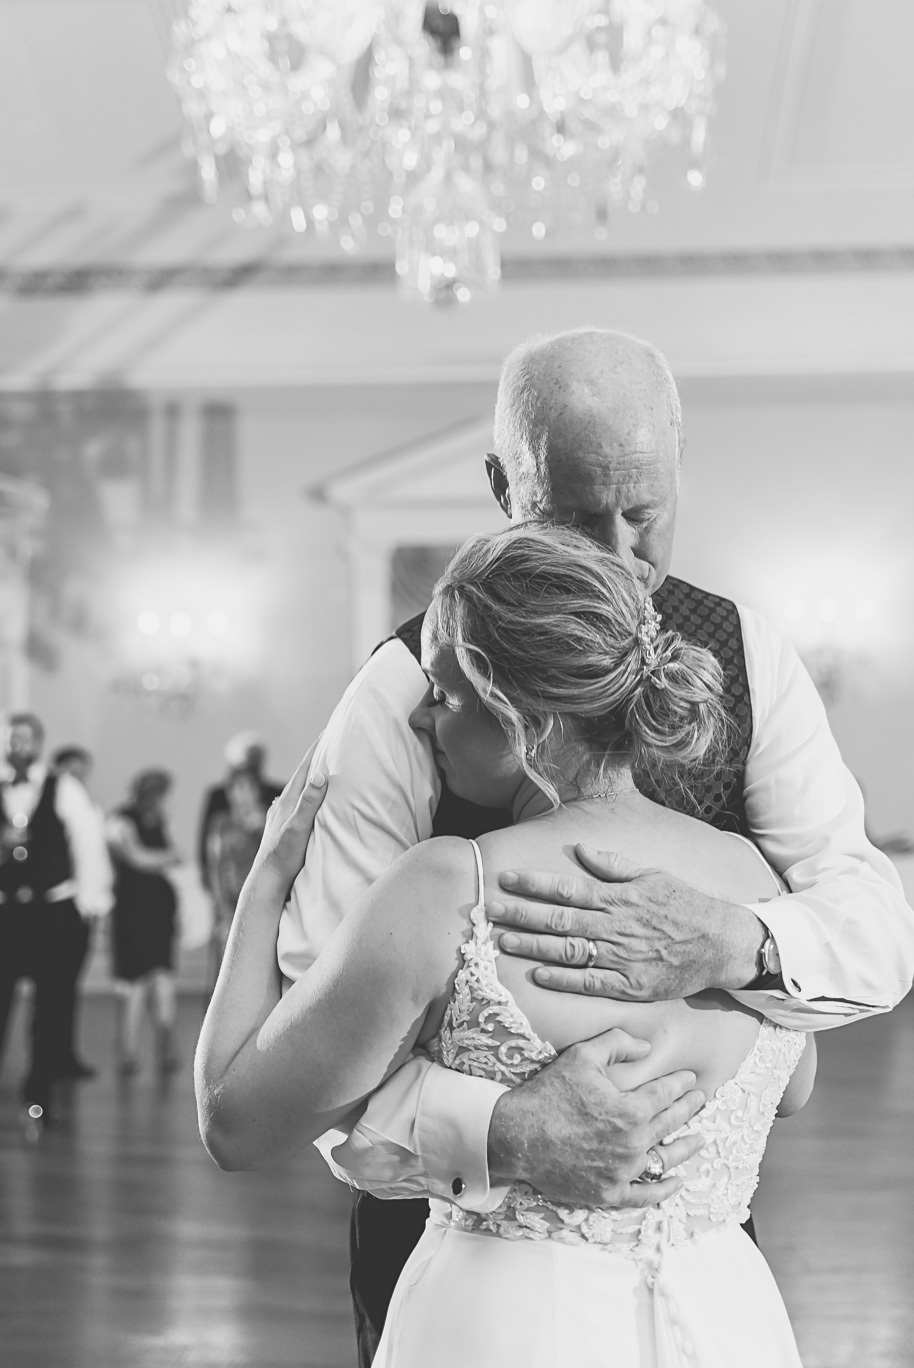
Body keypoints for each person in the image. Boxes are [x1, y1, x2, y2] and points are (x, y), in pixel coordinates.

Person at [268, 327, 913, 1366]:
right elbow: (310, 1015)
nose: (617, 555)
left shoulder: (751, 655)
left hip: (691, 1242)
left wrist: (737, 945)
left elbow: (875, 932)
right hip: (459, 1245)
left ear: (678, 466)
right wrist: (503, 1133)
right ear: (501, 487)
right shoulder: (405, 690)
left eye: (643, 511)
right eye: (574, 516)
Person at [197, 524, 817, 1366]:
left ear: (512, 708)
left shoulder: (449, 887)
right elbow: (794, 1089)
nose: (422, 718)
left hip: (504, 1327)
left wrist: (263, 885)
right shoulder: (753, 887)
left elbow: (234, 1125)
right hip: (727, 1320)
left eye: (447, 696)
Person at [0, 715, 113, 1126]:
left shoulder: (63, 787)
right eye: (12, 738)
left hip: (53, 912)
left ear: (38, 743)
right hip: (5, 912)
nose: (18, 744)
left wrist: (90, 903)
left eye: (26, 738)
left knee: (50, 1007)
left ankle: (38, 1094)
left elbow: (88, 845)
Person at [107, 769, 182, 1074]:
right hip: (133, 907)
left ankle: (166, 1047)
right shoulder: (120, 819)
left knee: (163, 976)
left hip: (159, 907)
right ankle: (128, 1049)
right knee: (134, 978)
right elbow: (135, 857)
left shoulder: (159, 819)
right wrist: (168, 856)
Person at [50, 744, 108, 1079]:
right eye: (71, 772)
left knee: (67, 986)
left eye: (82, 772)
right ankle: (54, 1056)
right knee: (56, 987)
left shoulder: (86, 804)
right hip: (63, 907)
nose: (77, 778)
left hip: (83, 908)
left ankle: (63, 1054)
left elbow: (94, 859)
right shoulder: (50, 807)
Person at [205, 767, 268, 989]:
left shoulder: (268, 817)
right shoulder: (220, 822)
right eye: (234, 788)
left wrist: (258, 829)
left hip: (259, 899)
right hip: (229, 898)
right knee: (226, 966)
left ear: (255, 791)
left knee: (259, 962)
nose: (239, 794)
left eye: (245, 787)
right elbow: (215, 865)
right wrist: (220, 904)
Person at [197, 732, 282, 891]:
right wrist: (205, 870)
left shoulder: (277, 793)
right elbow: (207, 840)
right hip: (228, 879)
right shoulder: (218, 796)